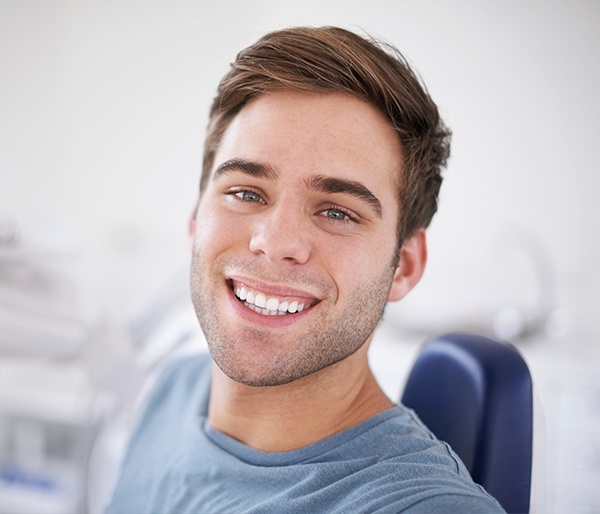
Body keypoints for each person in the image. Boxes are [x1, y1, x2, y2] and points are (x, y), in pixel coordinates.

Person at [106, 26, 505, 513]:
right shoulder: (175, 389)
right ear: (195, 218)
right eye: (246, 193)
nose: (274, 243)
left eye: (337, 211)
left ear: (404, 266)